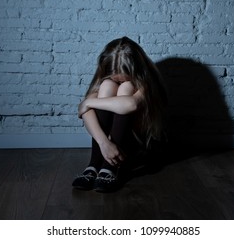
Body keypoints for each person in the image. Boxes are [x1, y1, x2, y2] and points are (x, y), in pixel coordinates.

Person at [72, 36, 168, 192]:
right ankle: (95, 165)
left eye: (123, 77)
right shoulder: (106, 79)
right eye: (115, 77)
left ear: (136, 70)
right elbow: (87, 114)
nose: (118, 80)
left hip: (137, 143)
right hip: (108, 146)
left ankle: (110, 167)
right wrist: (104, 143)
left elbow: (130, 104)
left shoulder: (147, 81)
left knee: (126, 89)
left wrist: (88, 102)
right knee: (106, 86)